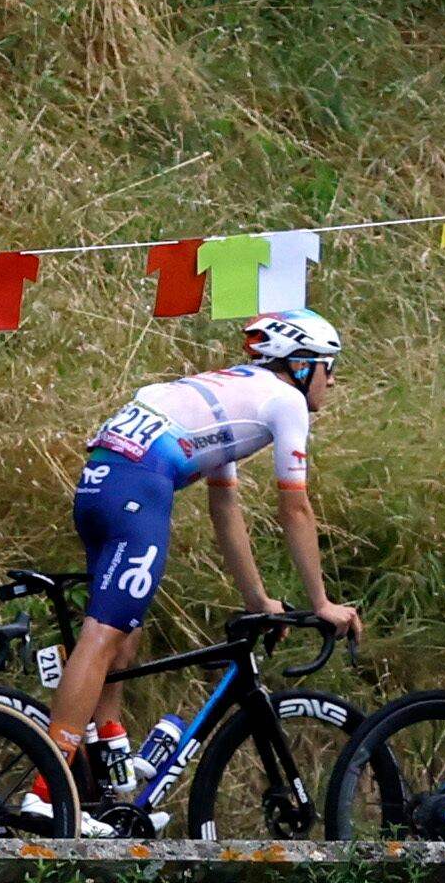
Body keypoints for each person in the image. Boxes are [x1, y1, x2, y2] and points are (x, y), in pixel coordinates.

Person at [49, 310, 358, 814]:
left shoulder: (223, 392)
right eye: (328, 366)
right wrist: (321, 602)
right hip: (138, 486)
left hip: (100, 482)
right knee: (102, 637)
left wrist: (258, 599)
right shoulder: (285, 401)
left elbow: (225, 508)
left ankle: (106, 783)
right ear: (300, 367)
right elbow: (295, 507)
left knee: (122, 640)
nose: (333, 379)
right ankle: (50, 787)